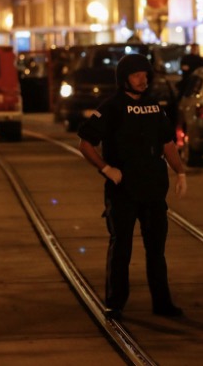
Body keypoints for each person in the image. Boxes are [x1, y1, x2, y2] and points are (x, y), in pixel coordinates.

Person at [77, 53, 188, 321]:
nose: (142, 80)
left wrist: (180, 172)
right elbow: (85, 143)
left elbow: (167, 143)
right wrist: (106, 169)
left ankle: (162, 302)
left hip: (153, 189)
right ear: (124, 78)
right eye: (136, 75)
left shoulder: (155, 107)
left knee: (156, 250)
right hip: (123, 189)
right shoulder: (111, 107)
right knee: (121, 247)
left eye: (145, 75)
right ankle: (115, 303)